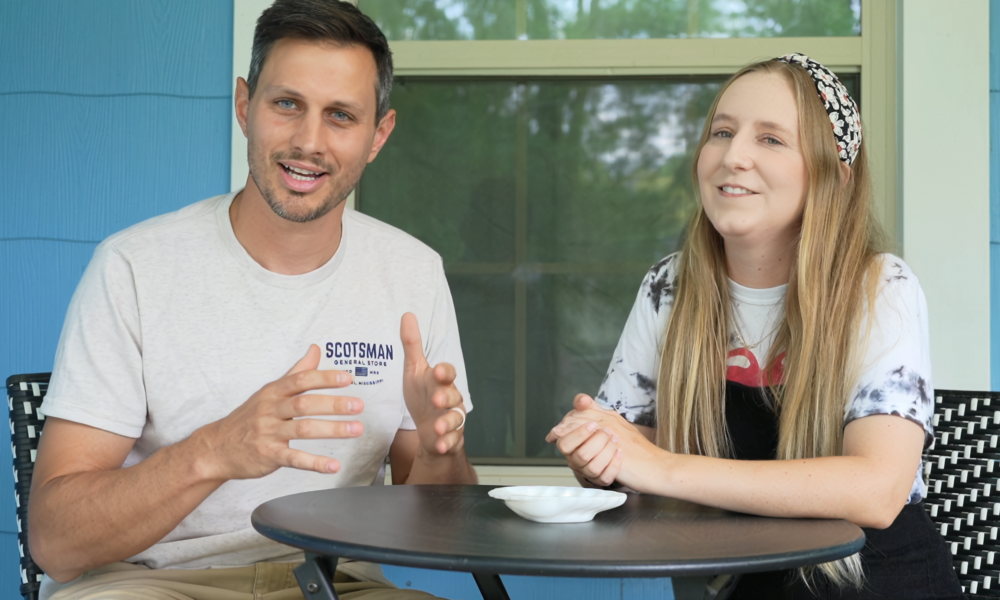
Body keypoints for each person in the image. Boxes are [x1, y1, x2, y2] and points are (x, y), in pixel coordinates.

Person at [30, 1, 477, 599]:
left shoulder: (412, 273)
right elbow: (57, 542)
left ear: (378, 136)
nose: (308, 141)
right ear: (244, 106)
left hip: (338, 582)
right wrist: (215, 450)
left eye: (341, 115)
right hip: (156, 583)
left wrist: (443, 449)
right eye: (287, 104)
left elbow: (439, 534)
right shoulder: (132, 267)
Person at [546, 54, 963, 599]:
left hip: (875, 584)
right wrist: (598, 453)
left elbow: (877, 489)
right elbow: (631, 456)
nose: (733, 156)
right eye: (722, 132)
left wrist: (663, 467)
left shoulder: (879, 286)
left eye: (771, 139)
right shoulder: (669, 286)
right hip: (739, 582)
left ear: (834, 176)